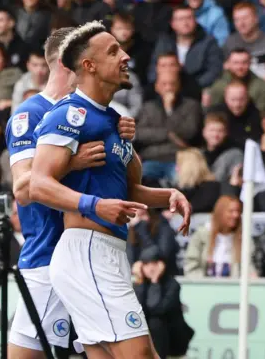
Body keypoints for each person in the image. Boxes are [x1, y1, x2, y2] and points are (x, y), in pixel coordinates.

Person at [29, 21, 191, 358]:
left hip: (107, 253)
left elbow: (129, 189)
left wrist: (168, 196)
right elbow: (38, 184)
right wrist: (93, 205)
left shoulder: (113, 120)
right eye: (114, 51)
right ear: (88, 66)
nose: (126, 56)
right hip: (86, 251)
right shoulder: (70, 114)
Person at [6, 27, 136, 359]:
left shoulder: (98, 113)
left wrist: (121, 139)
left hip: (89, 252)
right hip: (48, 253)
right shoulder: (30, 114)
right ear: (76, 64)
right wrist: (72, 162)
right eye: (108, 52)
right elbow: (23, 189)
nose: (120, 59)